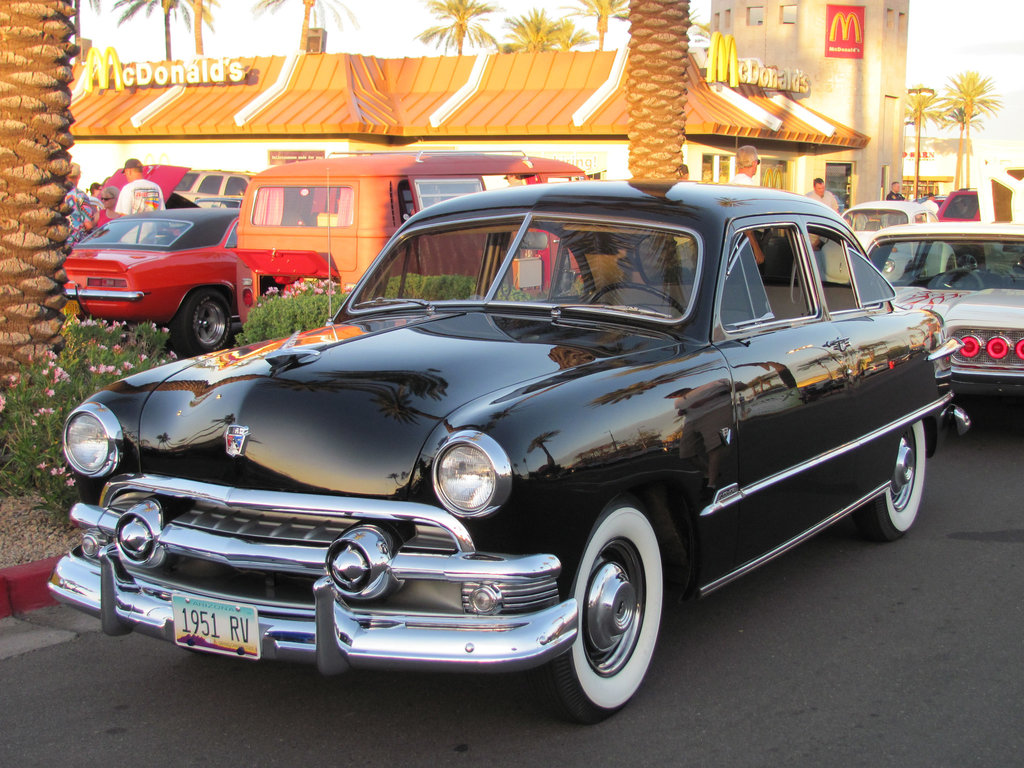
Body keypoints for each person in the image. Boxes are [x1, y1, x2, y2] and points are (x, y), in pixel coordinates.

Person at [63, 162, 98, 246]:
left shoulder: (58, 194)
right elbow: (88, 224)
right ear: (79, 176)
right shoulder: (79, 195)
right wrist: (98, 216)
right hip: (77, 243)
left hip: (61, 241)